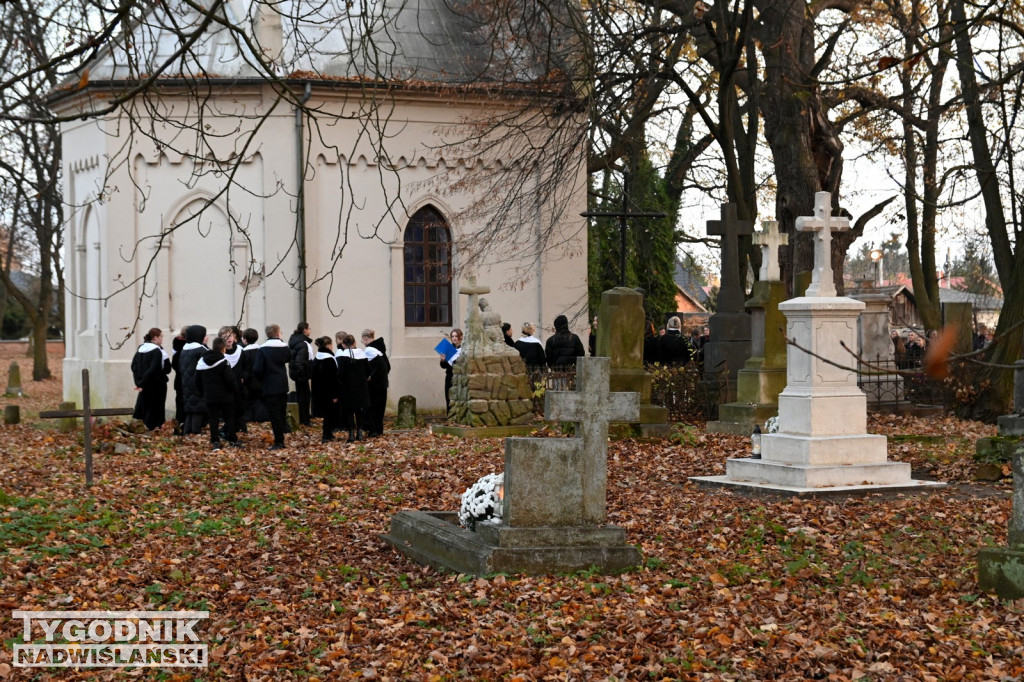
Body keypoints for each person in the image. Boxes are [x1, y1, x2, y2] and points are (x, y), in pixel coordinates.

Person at [196, 337, 241, 450]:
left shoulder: (202, 362)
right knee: (229, 418)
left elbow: (197, 380)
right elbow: (230, 380)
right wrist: (235, 391)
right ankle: (233, 439)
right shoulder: (223, 362)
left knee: (213, 419)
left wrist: (202, 393)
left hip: (210, 396)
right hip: (225, 396)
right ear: (223, 349)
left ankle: (215, 441)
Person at [255, 324, 291, 450]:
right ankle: (282, 436)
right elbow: (288, 358)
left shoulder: (263, 349)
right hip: (282, 384)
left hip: (269, 385)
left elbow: (257, 369)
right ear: (278, 334)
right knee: (281, 412)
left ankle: (279, 441)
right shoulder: (284, 347)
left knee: (274, 414)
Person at [131, 327, 171, 430]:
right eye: (161, 336)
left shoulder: (140, 349)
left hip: (144, 384)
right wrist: (142, 382)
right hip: (156, 383)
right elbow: (154, 368)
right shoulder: (157, 351)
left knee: (145, 406)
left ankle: (145, 427)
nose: (162, 339)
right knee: (155, 407)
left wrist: (139, 382)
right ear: (155, 337)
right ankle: (152, 428)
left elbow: (134, 366)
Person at [337, 333, 370, 442]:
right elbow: (368, 370)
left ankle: (351, 433)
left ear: (343, 344)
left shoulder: (342, 357)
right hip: (360, 386)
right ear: (354, 343)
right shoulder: (362, 354)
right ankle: (360, 433)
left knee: (349, 411)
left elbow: (340, 373)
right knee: (359, 410)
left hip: (347, 387)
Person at [179, 325, 209, 435]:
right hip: (198, 382)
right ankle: (195, 431)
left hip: (186, 382)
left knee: (190, 407)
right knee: (198, 408)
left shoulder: (184, 349)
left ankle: (187, 431)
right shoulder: (200, 350)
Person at [361, 329, 390, 437]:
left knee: (372, 408)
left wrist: (371, 377)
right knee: (380, 409)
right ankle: (379, 429)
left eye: (362, 340)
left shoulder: (370, 350)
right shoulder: (380, 349)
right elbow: (387, 366)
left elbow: (381, 366)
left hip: (374, 386)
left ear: (365, 338)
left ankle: (372, 430)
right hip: (382, 384)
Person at [311, 336, 341, 443]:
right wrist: (335, 394)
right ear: (328, 345)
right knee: (330, 415)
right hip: (329, 392)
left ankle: (328, 433)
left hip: (319, 392)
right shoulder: (330, 360)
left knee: (326, 415)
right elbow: (333, 379)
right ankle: (326, 435)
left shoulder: (316, 358)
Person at [237, 327, 266, 428]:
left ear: (244, 339)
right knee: (260, 399)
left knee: (249, 400)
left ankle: (249, 416)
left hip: (249, 380)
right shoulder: (261, 350)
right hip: (261, 379)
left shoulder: (243, 352)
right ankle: (260, 416)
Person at [288, 322, 314, 426]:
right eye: (309, 328)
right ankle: (304, 419)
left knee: (301, 396)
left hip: (297, 374)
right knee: (304, 397)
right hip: (301, 375)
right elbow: (301, 361)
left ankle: (303, 418)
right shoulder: (303, 344)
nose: (310, 330)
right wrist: (304, 374)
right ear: (304, 330)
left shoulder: (295, 341)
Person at [440, 328, 462, 414]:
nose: (454, 338)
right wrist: (442, 360)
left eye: (456, 336)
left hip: (460, 376)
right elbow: (443, 366)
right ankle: (450, 417)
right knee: (449, 397)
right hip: (450, 376)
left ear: (460, 337)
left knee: (459, 397)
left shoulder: (464, 349)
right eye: (452, 336)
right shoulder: (448, 349)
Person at [170, 326, 188, 434]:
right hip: (185, 381)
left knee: (179, 404)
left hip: (179, 381)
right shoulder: (185, 349)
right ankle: (183, 425)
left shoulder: (176, 347)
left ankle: (179, 423)